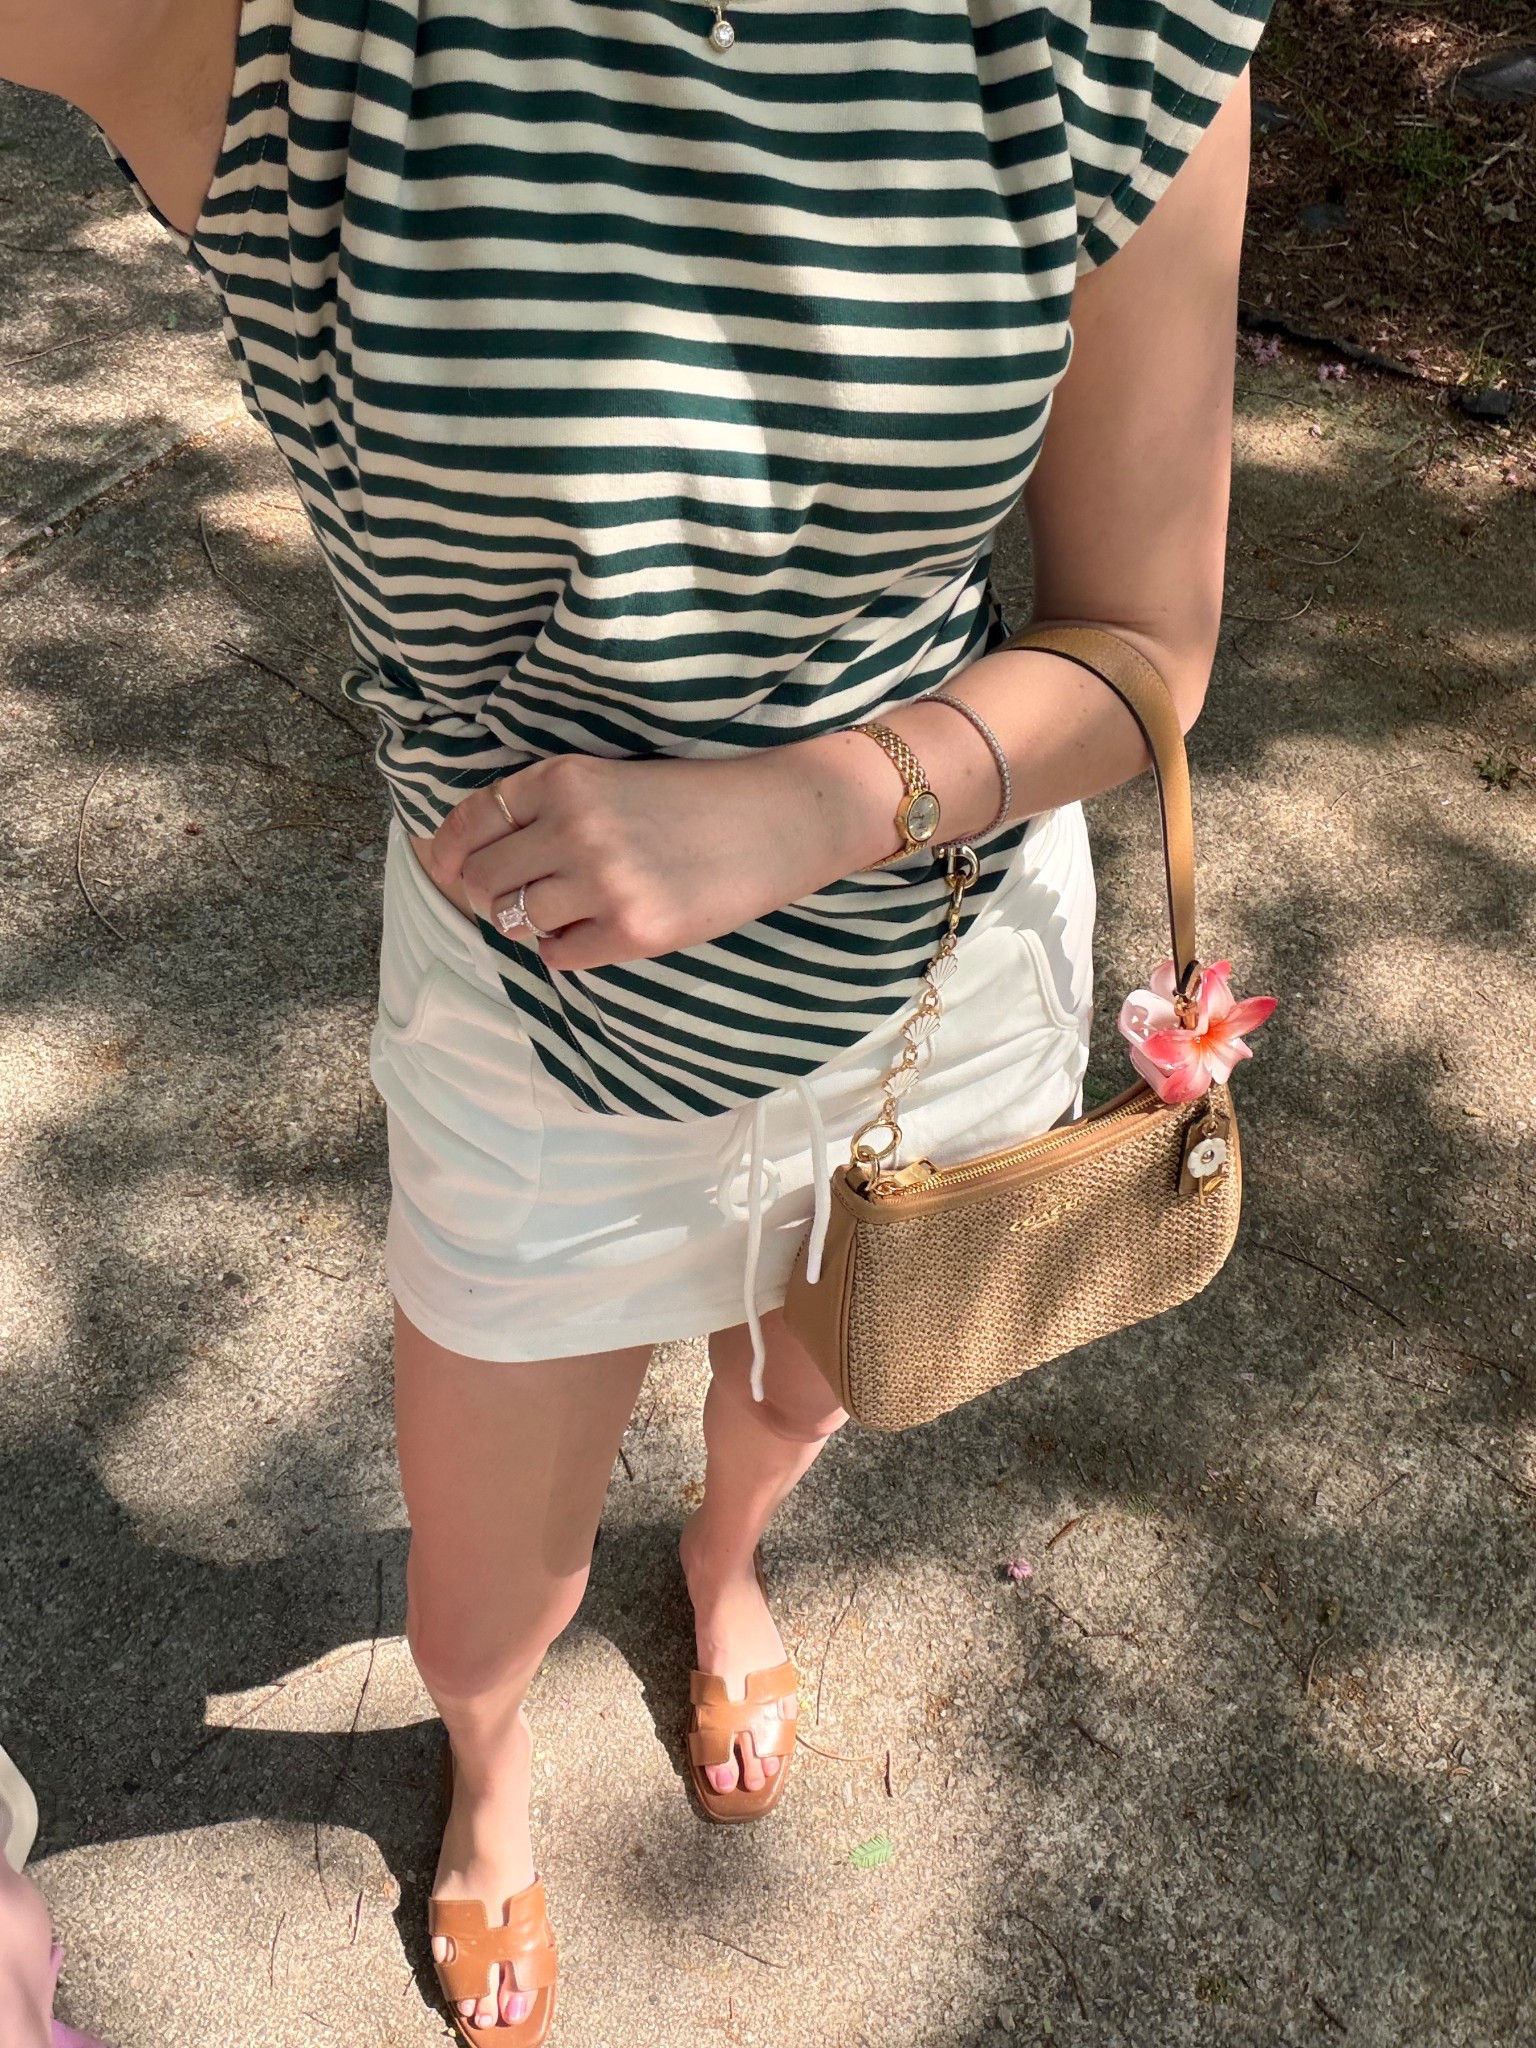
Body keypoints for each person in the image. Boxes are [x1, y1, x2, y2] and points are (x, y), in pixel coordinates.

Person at [1, 0, 1271, 2036]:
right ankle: (489, 1773)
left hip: (930, 980)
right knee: (486, 1587)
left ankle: (731, 1561)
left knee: (806, 1391)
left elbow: (1142, 647)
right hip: (538, 1045)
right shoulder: (298, 48)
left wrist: (812, 805)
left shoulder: (1104, 29)